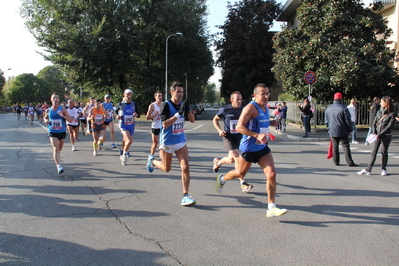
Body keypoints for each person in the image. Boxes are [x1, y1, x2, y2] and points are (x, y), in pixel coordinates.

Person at [215, 83, 287, 218]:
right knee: (239, 173)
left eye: (267, 93)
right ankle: (222, 178)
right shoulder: (250, 108)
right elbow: (240, 128)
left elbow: (260, 123)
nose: (266, 96)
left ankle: (271, 207)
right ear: (255, 95)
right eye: (263, 94)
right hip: (248, 148)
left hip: (262, 147)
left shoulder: (265, 107)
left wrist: (270, 123)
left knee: (271, 174)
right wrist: (256, 135)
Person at [146, 82, 196, 206]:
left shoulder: (182, 105)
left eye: (182, 92)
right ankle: (152, 161)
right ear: (172, 92)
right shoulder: (166, 105)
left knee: (185, 166)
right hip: (167, 141)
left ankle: (185, 195)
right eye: (178, 91)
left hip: (180, 140)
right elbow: (165, 124)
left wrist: (188, 109)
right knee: (166, 168)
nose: (180, 94)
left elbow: (192, 120)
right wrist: (178, 113)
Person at [212, 91, 253, 192]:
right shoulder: (225, 110)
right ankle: (242, 182)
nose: (239, 101)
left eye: (240, 99)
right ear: (232, 100)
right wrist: (219, 130)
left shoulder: (243, 110)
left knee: (231, 160)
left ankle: (218, 162)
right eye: (237, 99)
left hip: (240, 137)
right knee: (238, 158)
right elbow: (215, 119)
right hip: (228, 137)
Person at [358, 96, 396, 176]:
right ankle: (368, 169)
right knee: (373, 152)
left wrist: (379, 134)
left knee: (384, 152)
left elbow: (389, 126)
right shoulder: (379, 111)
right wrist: (375, 133)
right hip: (377, 135)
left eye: (382, 102)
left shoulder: (392, 113)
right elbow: (374, 122)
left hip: (386, 135)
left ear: (387, 103)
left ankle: (383, 169)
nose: (381, 103)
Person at [325, 92, 358, 167]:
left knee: (335, 146)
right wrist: (350, 129)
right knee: (345, 146)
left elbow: (326, 120)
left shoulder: (328, 108)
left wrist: (328, 128)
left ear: (334, 98)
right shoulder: (343, 108)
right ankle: (349, 162)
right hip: (342, 129)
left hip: (332, 130)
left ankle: (336, 161)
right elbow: (347, 120)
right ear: (341, 98)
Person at [44, 92, 73, 174]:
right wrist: (46, 120)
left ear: (59, 99)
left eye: (57, 98)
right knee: (56, 148)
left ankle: (56, 156)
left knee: (59, 149)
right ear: (51, 99)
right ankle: (59, 166)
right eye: (54, 98)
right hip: (52, 131)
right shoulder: (48, 110)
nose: (55, 99)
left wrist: (63, 116)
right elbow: (45, 117)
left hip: (61, 131)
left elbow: (70, 120)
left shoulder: (62, 109)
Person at [115, 89, 140, 165]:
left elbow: (138, 114)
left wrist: (136, 115)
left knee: (125, 140)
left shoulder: (134, 104)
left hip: (131, 125)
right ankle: (124, 155)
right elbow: (115, 111)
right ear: (124, 95)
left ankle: (122, 150)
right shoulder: (121, 104)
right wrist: (117, 116)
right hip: (123, 125)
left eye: (130, 94)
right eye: (127, 94)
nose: (129, 96)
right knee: (129, 141)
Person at [146, 90, 163, 161]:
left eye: (161, 96)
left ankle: (162, 155)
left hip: (163, 126)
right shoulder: (152, 105)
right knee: (155, 143)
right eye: (158, 96)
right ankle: (151, 155)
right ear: (155, 97)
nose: (160, 97)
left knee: (163, 143)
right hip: (155, 126)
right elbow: (147, 117)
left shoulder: (164, 104)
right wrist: (154, 115)